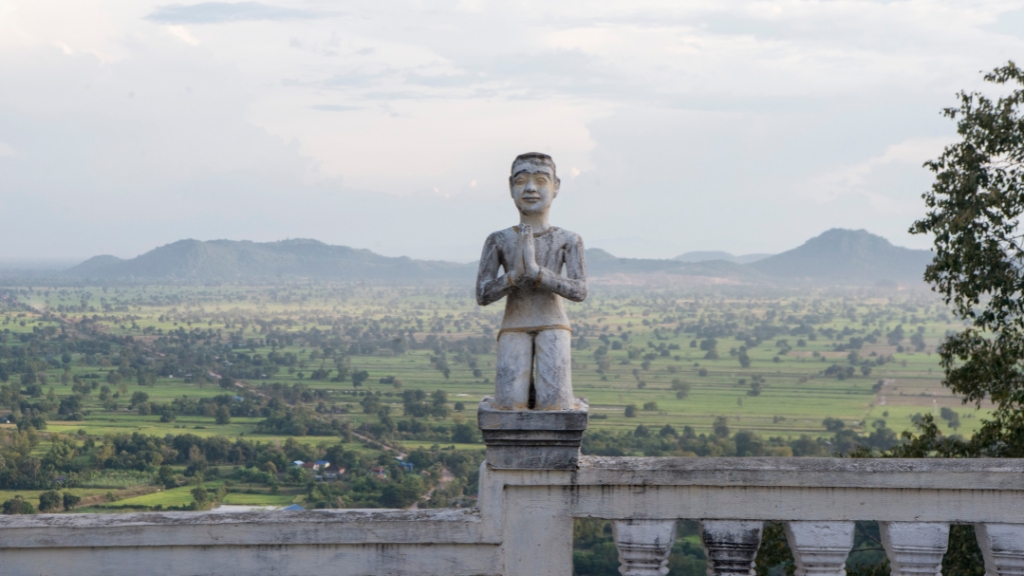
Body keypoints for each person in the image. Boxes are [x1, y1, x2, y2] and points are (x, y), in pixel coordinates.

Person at [476, 152, 588, 410]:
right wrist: (514, 277)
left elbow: (579, 290)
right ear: (510, 187)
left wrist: (538, 273)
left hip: (553, 324)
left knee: (556, 404)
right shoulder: (499, 240)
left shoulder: (567, 239)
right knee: (508, 404)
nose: (530, 188)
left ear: (555, 186)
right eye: (521, 181)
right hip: (514, 324)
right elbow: (482, 294)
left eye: (540, 180)